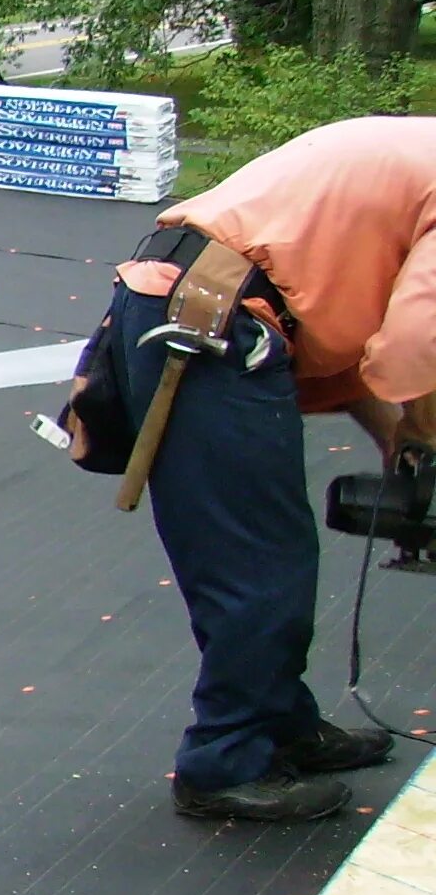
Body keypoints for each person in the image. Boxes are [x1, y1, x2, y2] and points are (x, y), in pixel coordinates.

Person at [107, 116, 436, 821]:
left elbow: (342, 307)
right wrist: (423, 436)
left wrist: (395, 441)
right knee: (255, 560)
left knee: (271, 549)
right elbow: (421, 341)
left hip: (206, 299)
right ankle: (223, 761)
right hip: (210, 318)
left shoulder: (419, 154)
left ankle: (280, 723)